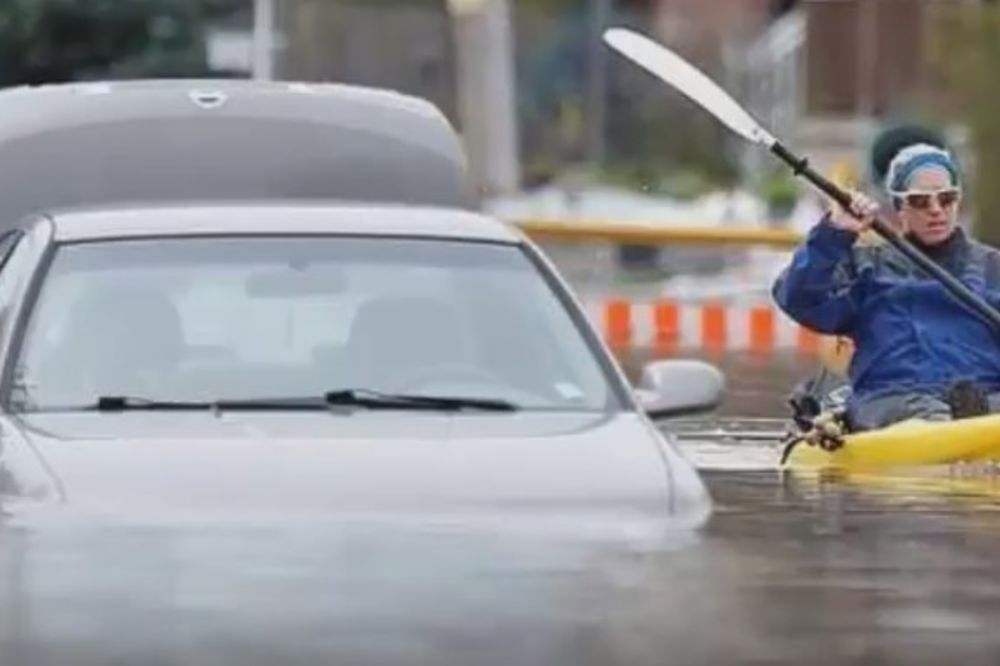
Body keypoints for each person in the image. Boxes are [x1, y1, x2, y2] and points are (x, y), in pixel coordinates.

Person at [772, 130, 1000, 431]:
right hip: (894, 401)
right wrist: (835, 233)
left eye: (946, 199)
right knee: (925, 417)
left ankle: (971, 425)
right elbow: (798, 299)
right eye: (920, 201)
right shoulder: (866, 268)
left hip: (986, 399)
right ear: (898, 206)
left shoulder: (992, 267)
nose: (936, 210)